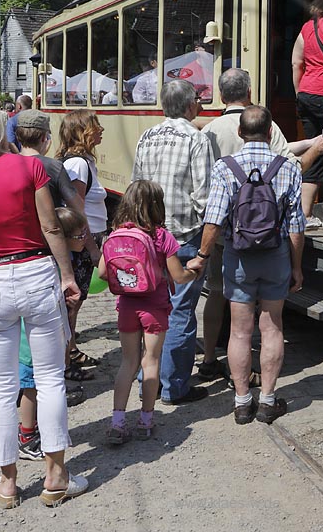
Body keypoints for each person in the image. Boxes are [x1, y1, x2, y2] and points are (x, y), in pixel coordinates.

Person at [0, 94, 88, 509]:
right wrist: (66, 276)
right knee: (49, 377)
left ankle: (7, 482)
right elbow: (50, 226)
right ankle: (56, 475)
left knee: (1, 385)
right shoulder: (31, 166)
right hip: (36, 273)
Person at [198, 67, 323, 379]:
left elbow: (205, 190)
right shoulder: (268, 125)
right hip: (269, 240)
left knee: (218, 297)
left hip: (226, 238)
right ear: (249, 92)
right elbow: (289, 164)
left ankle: (211, 360)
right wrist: (315, 147)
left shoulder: (209, 131)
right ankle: (263, 386)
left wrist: (202, 250)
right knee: (267, 318)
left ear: (221, 94)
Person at [189, 105, 305, 425]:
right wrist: (296, 267)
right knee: (272, 327)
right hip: (276, 255)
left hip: (237, 256)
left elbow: (213, 220)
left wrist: (202, 254)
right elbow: (296, 228)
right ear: (270, 133)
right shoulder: (288, 167)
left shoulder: (226, 167)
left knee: (240, 332)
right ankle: (267, 400)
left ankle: (242, 402)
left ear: (240, 133)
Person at [131, 78, 213, 405]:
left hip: (150, 237)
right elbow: (203, 195)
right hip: (183, 238)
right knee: (180, 313)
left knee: (152, 310)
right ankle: (174, 387)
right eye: (197, 100)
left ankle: (147, 378)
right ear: (190, 104)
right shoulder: (196, 139)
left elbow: (136, 188)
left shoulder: (146, 137)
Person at [98, 180, 199, 443]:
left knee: (128, 363)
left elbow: (101, 272)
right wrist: (194, 270)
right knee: (150, 361)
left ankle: (118, 423)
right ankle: (145, 421)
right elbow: (178, 275)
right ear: (157, 206)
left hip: (127, 307)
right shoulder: (162, 236)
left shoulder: (115, 235)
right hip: (154, 308)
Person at [15, 109, 91, 401]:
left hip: (19, 254)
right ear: (46, 138)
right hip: (52, 253)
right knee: (56, 323)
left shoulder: (6, 165)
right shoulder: (53, 167)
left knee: (24, 331)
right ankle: (55, 382)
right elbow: (77, 208)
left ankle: (27, 387)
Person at [57, 109, 108, 379]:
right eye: (95, 125)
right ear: (82, 131)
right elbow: (75, 211)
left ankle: (71, 349)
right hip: (81, 244)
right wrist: (91, 247)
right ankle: (66, 362)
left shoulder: (83, 161)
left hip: (86, 240)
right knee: (72, 303)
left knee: (75, 303)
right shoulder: (77, 165)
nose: (101, 130)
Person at [291, 0, 323, 229]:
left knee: (316, 150)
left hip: (306, 93)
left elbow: (297, 62)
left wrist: (299, 94)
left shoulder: (307, 28)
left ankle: (305, 213)